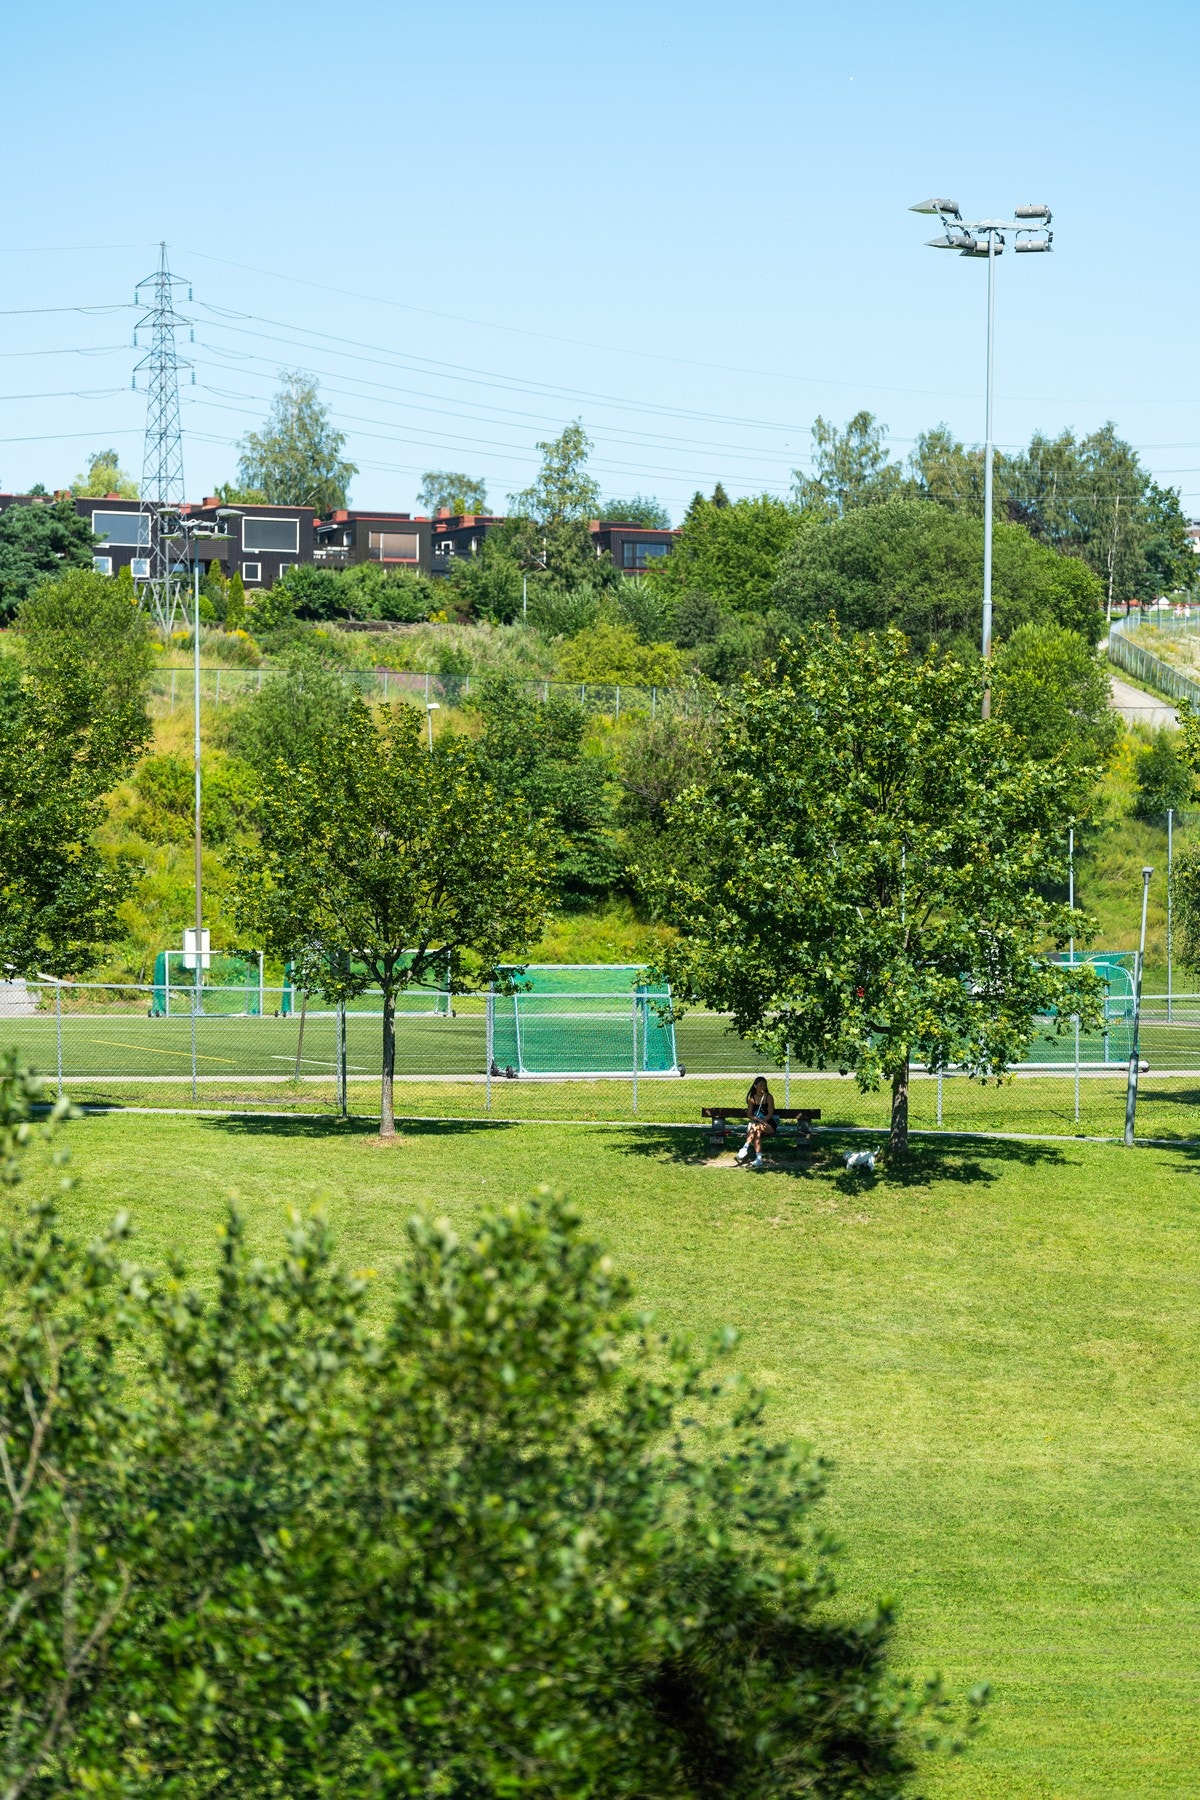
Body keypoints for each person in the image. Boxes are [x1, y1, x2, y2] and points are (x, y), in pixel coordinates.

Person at [736, 1075, 778, 1170]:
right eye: (761, 1085)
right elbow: (749, 1114)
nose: (763, 1087)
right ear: (755, 1086)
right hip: (758, 1124)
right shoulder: (752, 1098)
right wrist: (758, 1119)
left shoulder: (768, 1097)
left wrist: (762, 1121)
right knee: (757, 1132)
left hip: (769, 1124)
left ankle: (744, 1148)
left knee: (756, 1127)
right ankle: (759, 1158)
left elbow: (770, 1113)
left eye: (764, 1085)